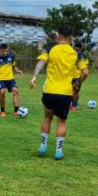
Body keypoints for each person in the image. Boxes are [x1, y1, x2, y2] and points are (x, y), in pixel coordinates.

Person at [29, 24, 89, 159]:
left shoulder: (50, 49)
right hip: (65, 92)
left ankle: (43, 147)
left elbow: (40, 63)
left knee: (47, 117)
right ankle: (58, 151)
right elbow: (85, 72)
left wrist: (34, 77)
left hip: (49, 90)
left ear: (57, 35)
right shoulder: (77, 53)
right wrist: (77, 84)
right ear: (71, 37)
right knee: (61, 121)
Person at [0, 43, 24, 117]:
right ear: (0, 50)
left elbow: (14, 67)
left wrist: (18, 71)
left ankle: (16, 111)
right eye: (3, 51)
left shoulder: (11, 57)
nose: (5, 52)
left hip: (11, 79)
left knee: (15, 90)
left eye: (6, 51)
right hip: (1, 79)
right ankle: (2, 111)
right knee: (2, 92)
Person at [70, 45, 90, 111]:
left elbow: (86, 66)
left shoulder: (82, 55)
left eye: (77, 48)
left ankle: (74, 105)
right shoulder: (82, 55)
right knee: (74, 91)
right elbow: (86, 66)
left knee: (74, 91)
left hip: (75, 76)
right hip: (73, 76)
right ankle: (74, 105)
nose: (76, 49)